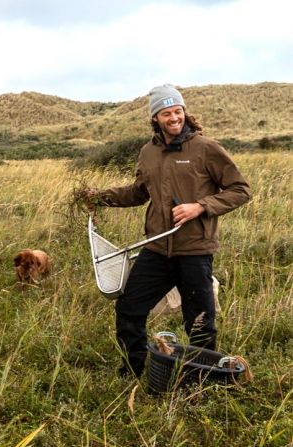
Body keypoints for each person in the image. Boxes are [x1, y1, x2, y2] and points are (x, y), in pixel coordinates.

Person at [88, 84, 250, 378]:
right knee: (129, 309)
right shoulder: (148, 152)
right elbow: (139, 193)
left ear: (184, 113)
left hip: (195, 250)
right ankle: (133, 372)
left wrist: (200, 206)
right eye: (166, 113)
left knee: (199, 322)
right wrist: (100, 197)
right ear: (156, 118)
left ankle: (200, 381)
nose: (174, 118)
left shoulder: (207, 148)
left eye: (178, 111)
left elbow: (240, 190)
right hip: (157, 250)